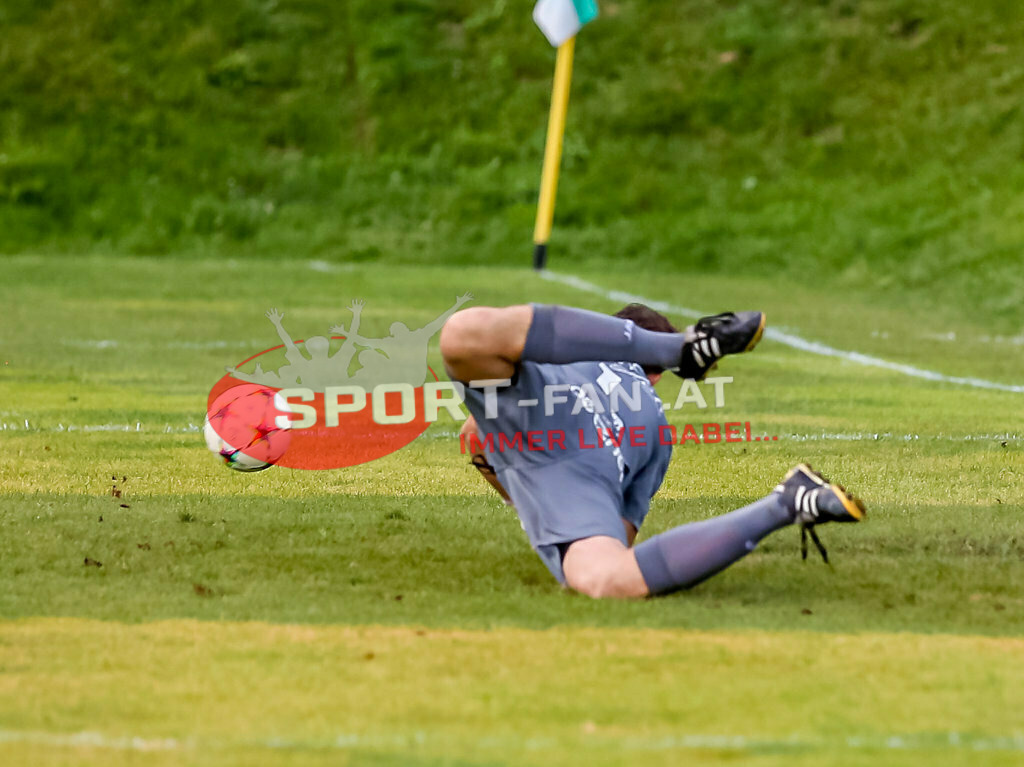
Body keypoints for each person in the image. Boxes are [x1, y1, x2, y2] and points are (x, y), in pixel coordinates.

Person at [439, 302, 865, 599]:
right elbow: (621, 544)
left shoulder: (569, 351)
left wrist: (528, 499)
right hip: (585, 476)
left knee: (463, 334)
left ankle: (679, 349)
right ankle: (785, 503)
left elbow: (475, 434)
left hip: (542, 403)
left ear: (603, 335)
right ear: (657, 379)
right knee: (607, 578)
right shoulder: (657, 430)